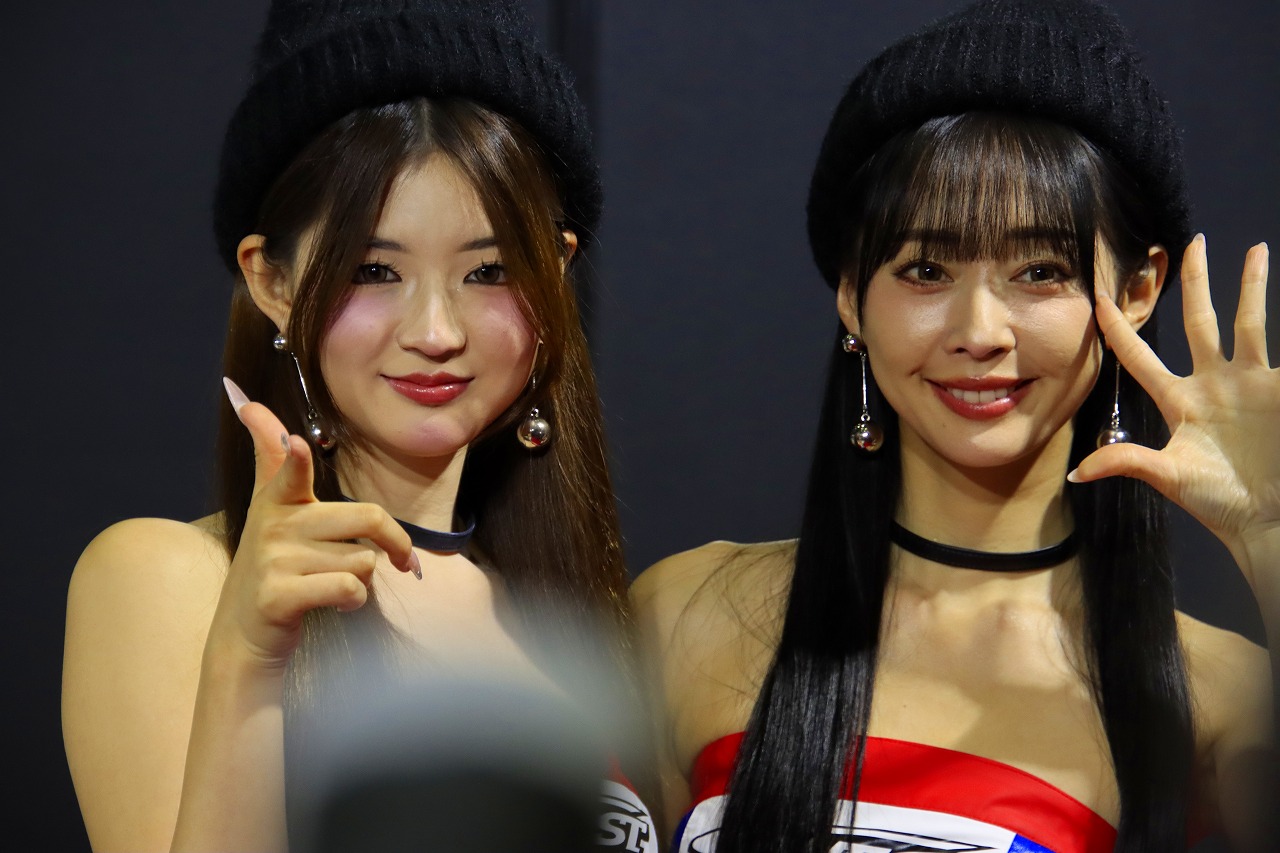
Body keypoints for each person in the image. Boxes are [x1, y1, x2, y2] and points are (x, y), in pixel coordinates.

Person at [633, 1, 1276, 851]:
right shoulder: (684, 612)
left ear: (1136, 290)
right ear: (852, 292)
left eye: (1039, 271)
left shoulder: (1217, 697)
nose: (979, 331)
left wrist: (1271, 537)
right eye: (927, 269)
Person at [61, 1, 653, 850]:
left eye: (488, 271)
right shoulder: (171, 580)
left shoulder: (587, 618)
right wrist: (248, 658)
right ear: (271, 280)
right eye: (375, 271)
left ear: (556, 272)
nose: (437, 331)